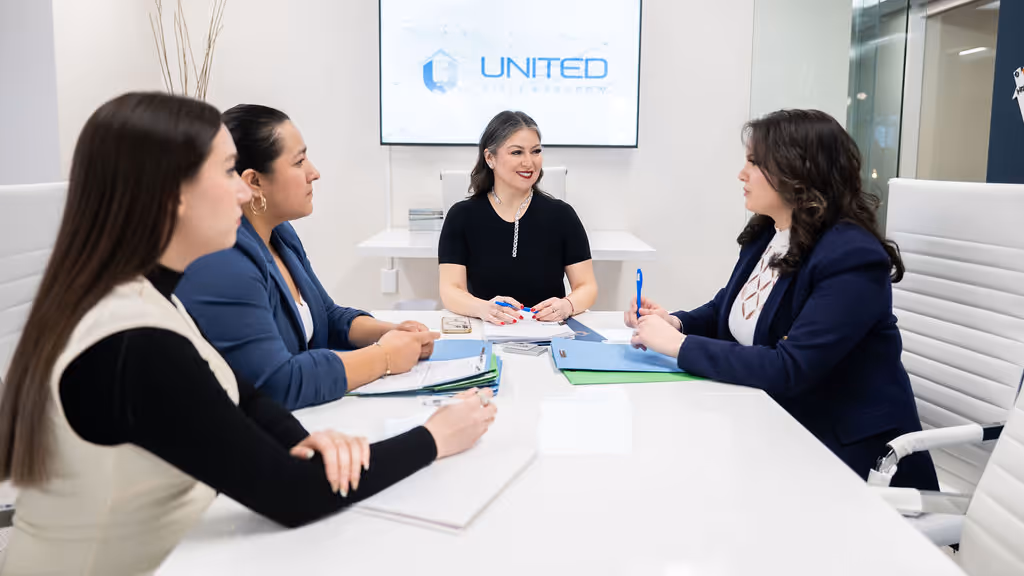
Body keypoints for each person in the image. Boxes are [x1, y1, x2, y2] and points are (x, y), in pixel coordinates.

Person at [0, 93, 496, 576]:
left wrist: (306, 440)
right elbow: (292, 493)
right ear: (173, 196)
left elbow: (241, 395)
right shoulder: (134, 344)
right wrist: (435, 436)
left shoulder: (147, 297)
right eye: (226, 172)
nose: (243, 190)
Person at [626, 109, 938, 490]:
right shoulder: (769, 232)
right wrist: (678, 322)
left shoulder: (852, 256)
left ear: (797, 173)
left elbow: (791, 368)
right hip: (772, 421)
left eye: (755, 163)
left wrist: (678, 345)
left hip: (843, 451)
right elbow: (730, 308)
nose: (742, 174)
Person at [175, 104, 438, 410]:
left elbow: (326, 316)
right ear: (254, 182)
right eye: (299, 162)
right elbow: (278, 383)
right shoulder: (223, 261)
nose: (314, 173)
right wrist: (385, 357)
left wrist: (390, 332)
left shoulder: (280, 233)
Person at [438, 110, 598, 325]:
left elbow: (587, 286)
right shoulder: (462, 215)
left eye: (535, 151)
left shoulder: (562, 215)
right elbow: (450, 289)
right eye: (517, 152)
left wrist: (567, 305)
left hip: (549, 331)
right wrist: (483, 309)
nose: (529, 162)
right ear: (490, 158)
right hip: (487, 330)